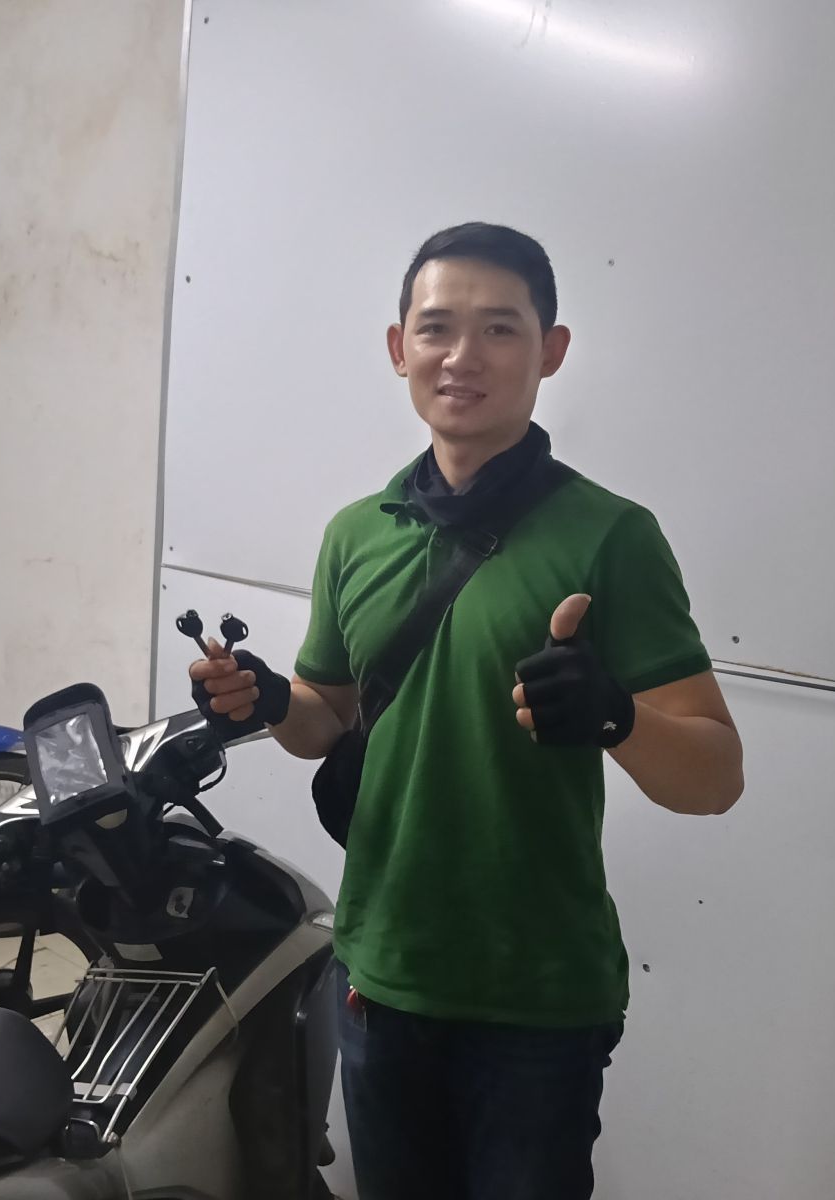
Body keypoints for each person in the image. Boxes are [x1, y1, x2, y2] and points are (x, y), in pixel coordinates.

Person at [188, 222, 744, 1200]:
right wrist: (272, 699)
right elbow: (326, 721)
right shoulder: (356, 534)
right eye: (437, 327)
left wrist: (615, 716)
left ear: (550, 351)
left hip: (538, 1000)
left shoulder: (611, 536)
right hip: (378, 975)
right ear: (398, 347)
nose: (462, 356)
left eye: (499, 329)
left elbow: (713, 776)